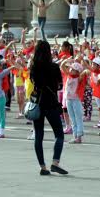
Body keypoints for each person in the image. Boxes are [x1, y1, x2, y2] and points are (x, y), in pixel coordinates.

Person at [29, 40, 67, 176]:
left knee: (38, 135)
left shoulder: (33, 67)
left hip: (38, 102)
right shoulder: (54, 67)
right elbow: (59, 85)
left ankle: (42, 166)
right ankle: (55, 162)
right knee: (59, 134)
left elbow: (33, 82)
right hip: (50, 102)